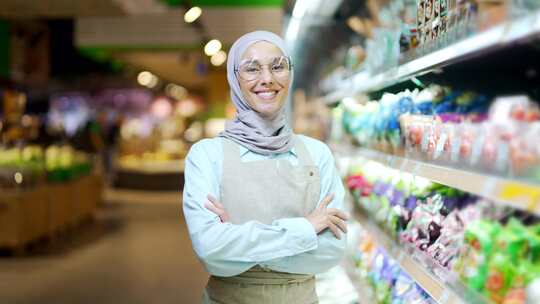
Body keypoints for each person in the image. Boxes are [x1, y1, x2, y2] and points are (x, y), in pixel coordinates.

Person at [182, 31, 348, 304]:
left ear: (289, 73)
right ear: (235, 78)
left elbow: (331, 251)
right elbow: (211, 250)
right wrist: (305, 229)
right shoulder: (206, 155)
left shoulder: (317, 154)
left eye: (277, 66)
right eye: (251, 69)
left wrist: (238, 243)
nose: (267, 78)